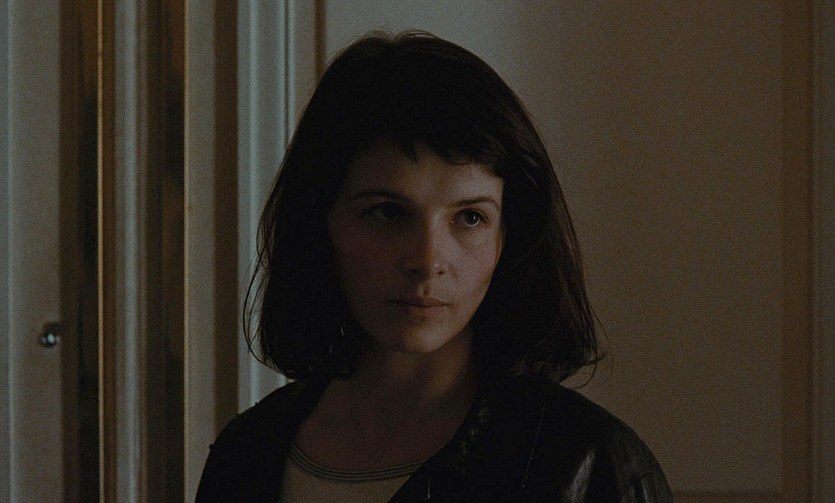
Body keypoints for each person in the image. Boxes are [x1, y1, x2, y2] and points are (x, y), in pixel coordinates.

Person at [196, 31, 672, 502]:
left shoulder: (587, 463)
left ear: (510, 235)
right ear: (321, 221)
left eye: (470, 217)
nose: (427, 261)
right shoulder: (248, 455)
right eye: (387, 212)